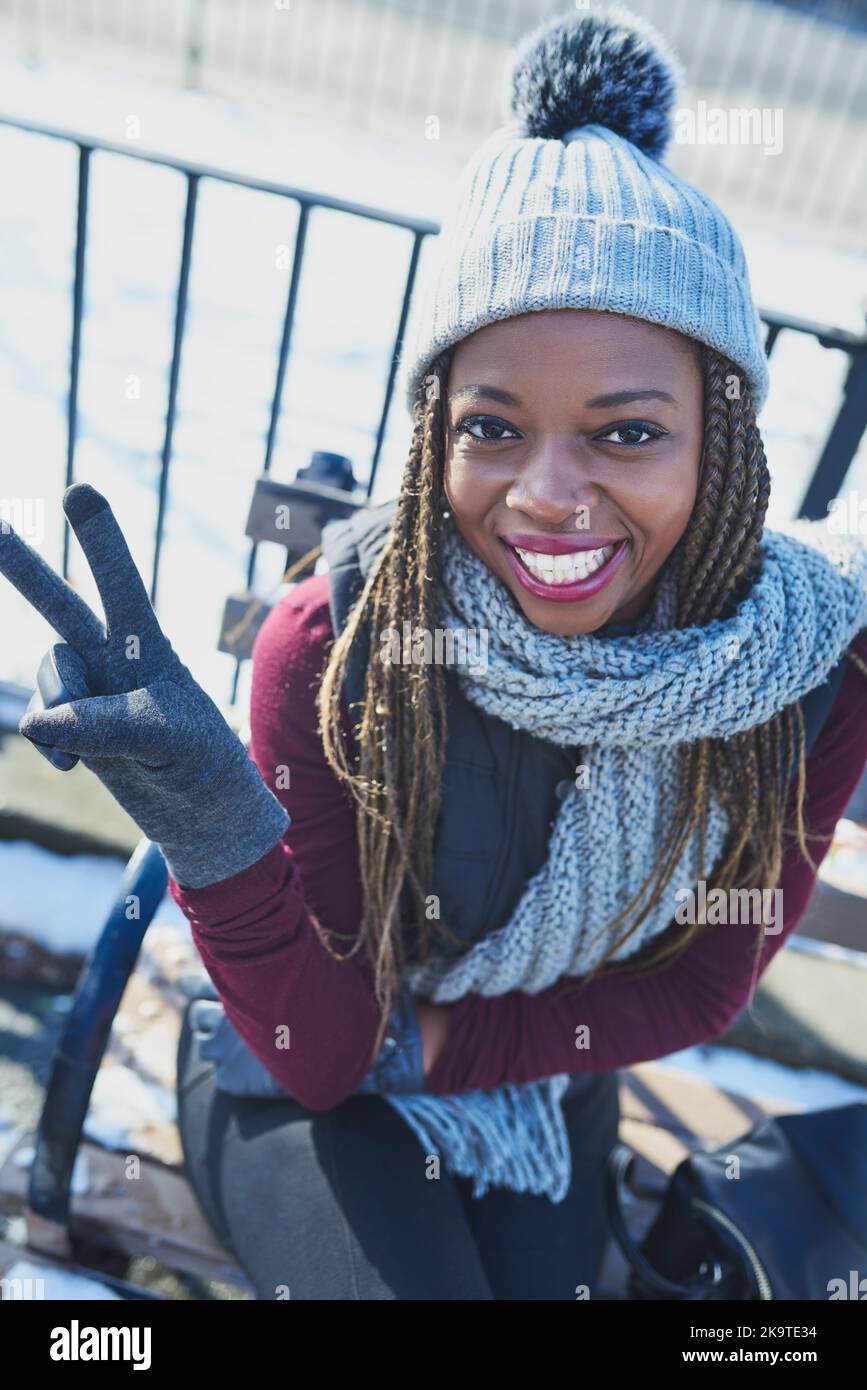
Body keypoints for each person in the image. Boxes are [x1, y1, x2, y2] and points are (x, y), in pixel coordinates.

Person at [3, 7, 867, 1301]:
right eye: (493, 426)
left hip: (543, 1068)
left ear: (722, 445)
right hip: (288, 1064)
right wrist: (218, 835)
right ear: (436, 433)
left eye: (626, 434)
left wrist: (456, 1037)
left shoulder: (793, 674)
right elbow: (323, 1051)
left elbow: (697, 985)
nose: (547, 495)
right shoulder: (343, 646)